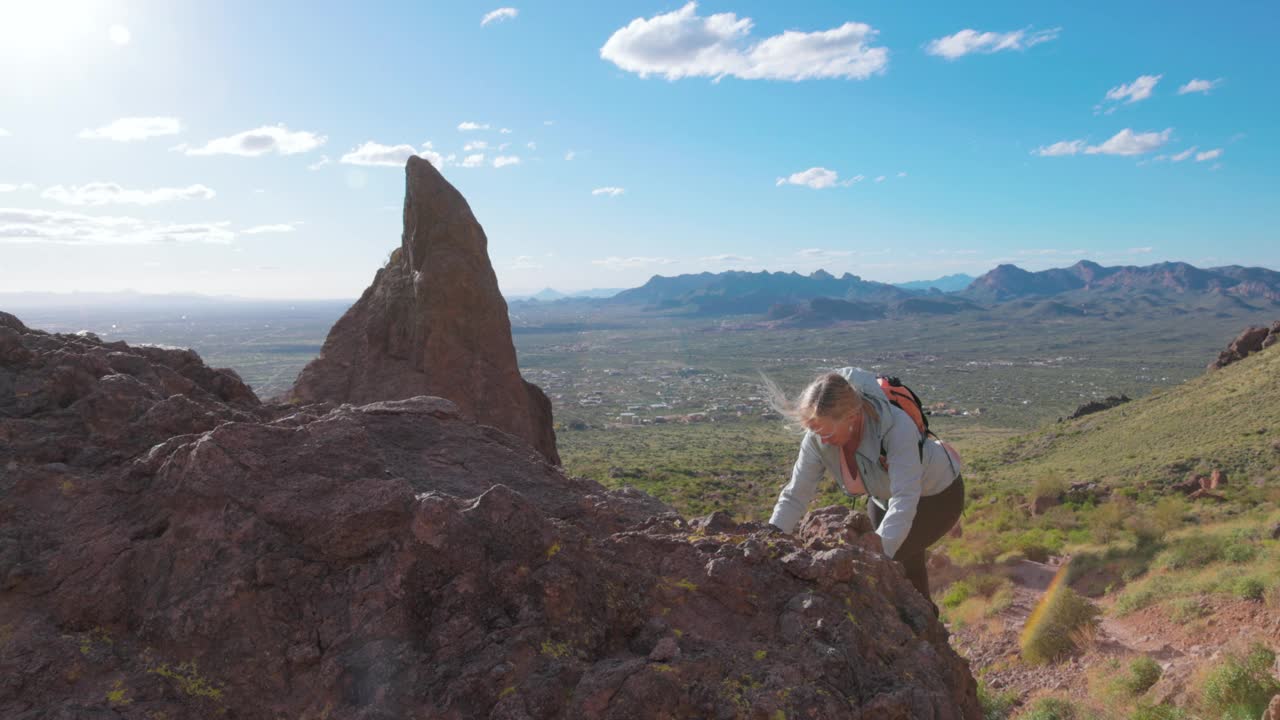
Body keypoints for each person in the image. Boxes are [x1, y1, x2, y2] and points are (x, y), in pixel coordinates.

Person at [764, 367, 964, 603]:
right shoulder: (818, 436)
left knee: (887, 566)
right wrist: (770, 540)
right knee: (907, 573)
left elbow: (905, 497)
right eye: (815, 431)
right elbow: (796, 493)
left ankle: (916, 631)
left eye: (827, 433)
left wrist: (878, 555)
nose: (823, 440)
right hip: (883, 498)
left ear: (852, 417)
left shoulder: (895, 427)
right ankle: (925, 631)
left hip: (936, 498)